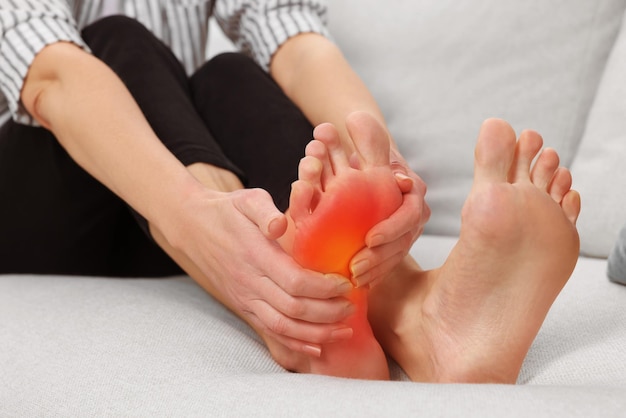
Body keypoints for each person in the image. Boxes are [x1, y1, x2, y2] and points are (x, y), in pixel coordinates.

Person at [0, 0, 581, 383]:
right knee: (119, 39)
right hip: (45, 209)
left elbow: (294, 41)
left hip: (148, 219)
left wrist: (381, 162)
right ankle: (278, 289)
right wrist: (193, 211)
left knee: (227, 75)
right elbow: (50, 77)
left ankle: (413, 316)